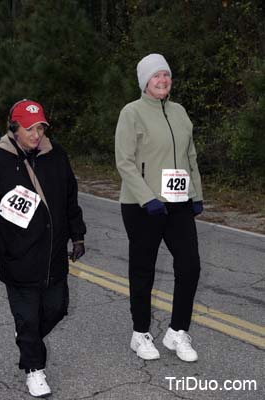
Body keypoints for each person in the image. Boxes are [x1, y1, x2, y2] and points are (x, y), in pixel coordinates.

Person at [115, 54, 203, 363]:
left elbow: (190, 156)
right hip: (142, 206)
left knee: (190, 266)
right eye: (156, 76)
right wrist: (146, 197)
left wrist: (196, 194)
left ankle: (177, 332)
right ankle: (140, 334)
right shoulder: (132, 113)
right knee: (143, 271)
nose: (162, 80)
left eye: (166, 74)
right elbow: (124, 161)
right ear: (144, 82)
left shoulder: (179, 112)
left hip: (178, 203)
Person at [0, 99, 86, 397]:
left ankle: (27, 336)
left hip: (52, 256)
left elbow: (70, 197)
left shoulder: (56, 155)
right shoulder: (0, 159)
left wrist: (78, 235)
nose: (36, 134)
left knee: (57, 308)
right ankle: (35, 370)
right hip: (18, 257)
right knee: (27, 316)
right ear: (14, 128)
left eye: (40, 128)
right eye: (29, 128)